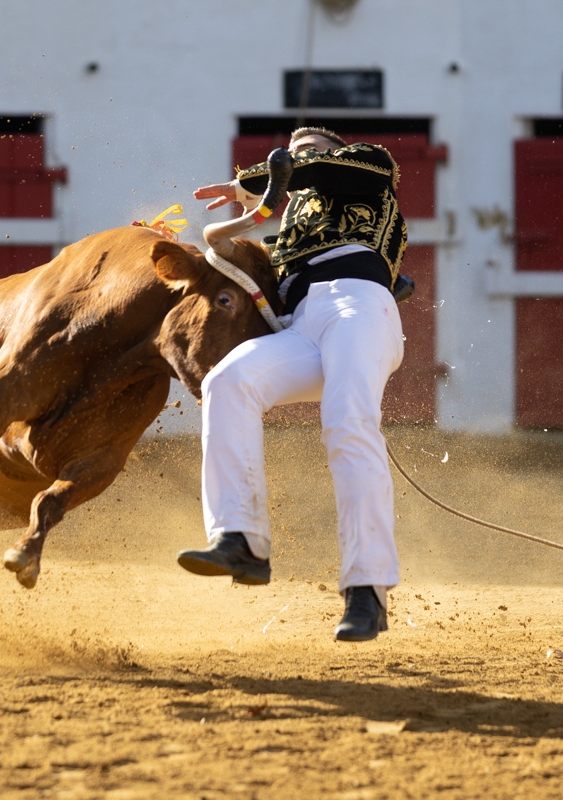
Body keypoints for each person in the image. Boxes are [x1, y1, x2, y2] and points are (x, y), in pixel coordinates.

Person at [178, 127, 407, 641]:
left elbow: (313, 169)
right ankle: (241, 540)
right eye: (292, 152)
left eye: (311, 150)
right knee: (227, 382)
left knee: (348, 422)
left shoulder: (370, 166)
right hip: (303, 324)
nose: (300, 157)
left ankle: (367, 591)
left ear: (336, 151)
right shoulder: (287, 235)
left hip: (359, 306)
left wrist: (248, 184)